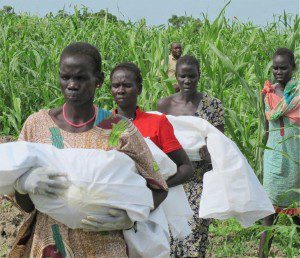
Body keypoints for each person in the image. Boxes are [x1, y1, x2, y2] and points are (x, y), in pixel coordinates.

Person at [10, 42, 168, 257]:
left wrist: (131, 217)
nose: (72, 85)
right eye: (65, 77)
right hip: (50, 244)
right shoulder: (36, 126)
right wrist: (22, 184)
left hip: (104, 245)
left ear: (99, 80)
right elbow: (26, 206)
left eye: (81, 78)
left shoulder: (119, 129)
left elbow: (158, 186)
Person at [157, 55, 225, 257]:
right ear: (175, 77)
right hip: (173, 177)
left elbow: (221, 147)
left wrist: (209, 154)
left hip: (199, 179)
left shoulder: (213, 106)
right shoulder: (164, 105)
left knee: (196, 231)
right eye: (182, 76)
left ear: (199, 76)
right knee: (170, 230)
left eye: (192, 76)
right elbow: (158, 142)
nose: (187, 81)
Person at [110, 62, 194, 188]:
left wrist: (157, 187)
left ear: (139, 89)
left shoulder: (157, 123)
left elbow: (186, 168)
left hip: (154, 202)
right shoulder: (102, 125)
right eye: (116, 86)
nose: (120, 91)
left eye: (127, 85)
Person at [259, 48, 299, 258]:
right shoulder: (268, 94)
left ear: (293, 67)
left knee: (298, 214)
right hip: (274, 159)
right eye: (275, 67)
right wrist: (263, 157)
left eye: (283, 67)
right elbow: (266, 129)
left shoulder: (299, 93)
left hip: (296, 158)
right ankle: (262, 255)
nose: (278, 71)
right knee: (269, 214)